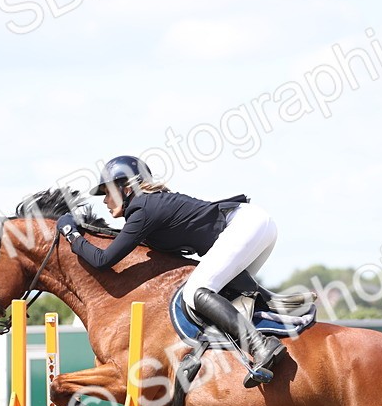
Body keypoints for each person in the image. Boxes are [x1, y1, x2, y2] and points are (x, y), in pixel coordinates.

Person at [55, 155, 285, 386]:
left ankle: (261, 346)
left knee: (197, 291)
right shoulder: (148, 206)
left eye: (107, 192)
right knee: (228, 294)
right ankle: (276, 311)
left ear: (126, 188)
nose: (105, 200)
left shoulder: (143, 208)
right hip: (256, 225)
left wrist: (71, 234)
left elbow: (103, 259)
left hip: (246, 226)